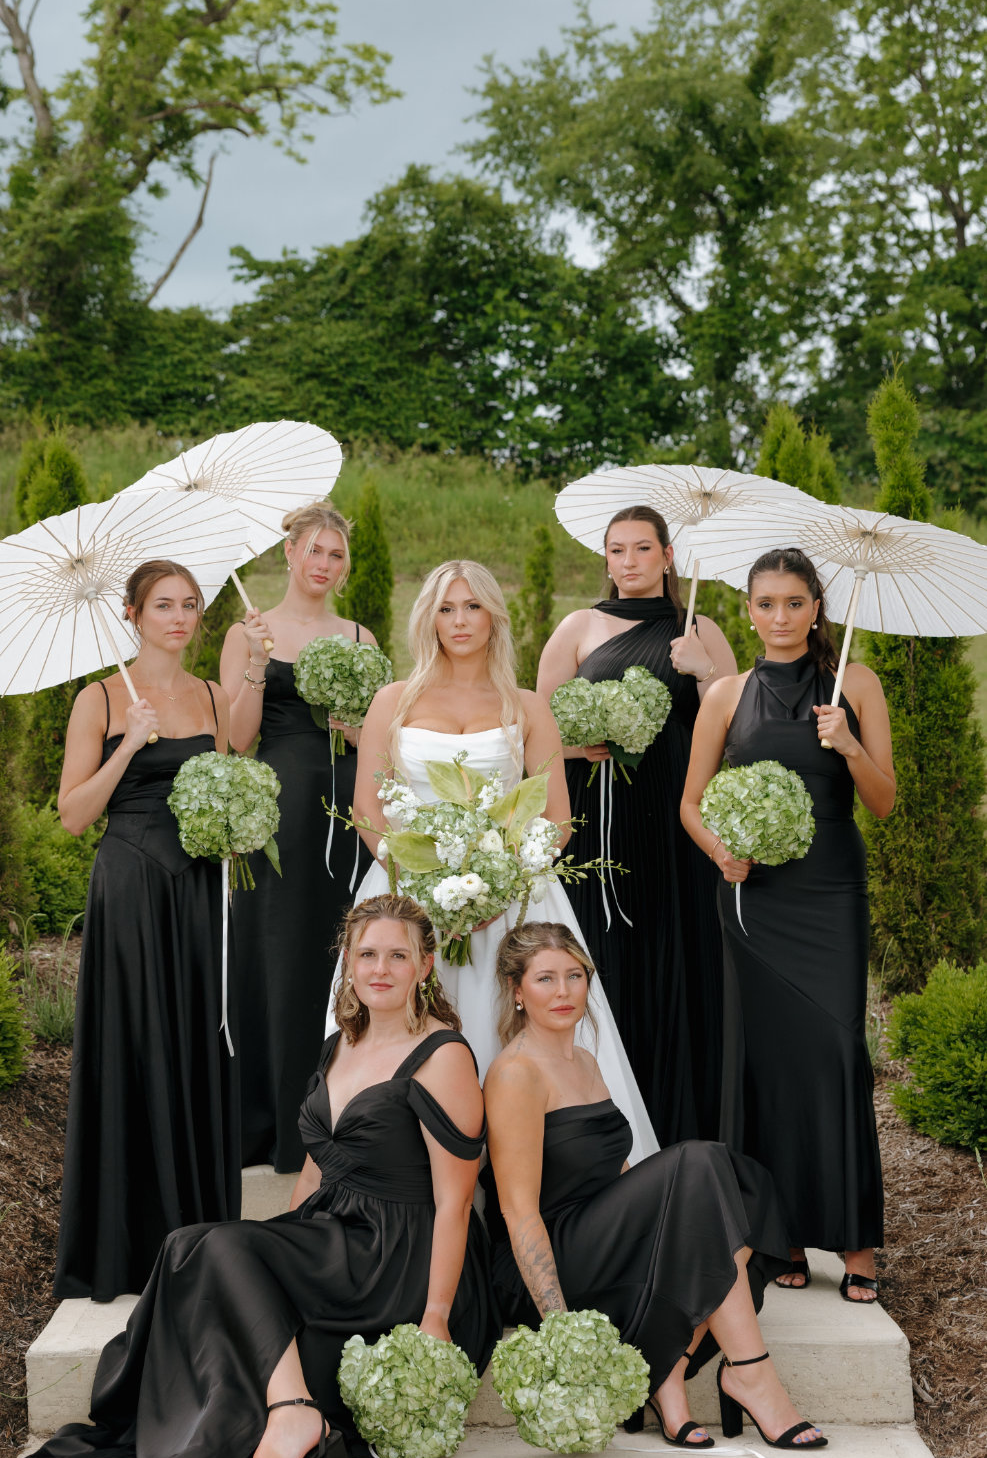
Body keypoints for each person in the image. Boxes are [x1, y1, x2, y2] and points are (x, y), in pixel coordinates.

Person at [16, 895, 499, 1458]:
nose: (381, 968)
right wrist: (266, 1253)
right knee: (195, 1247)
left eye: (398, 955)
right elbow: (315, 1169)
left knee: (219, 1248)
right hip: (335, 1232)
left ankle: (295, 1414)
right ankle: (293, 1410)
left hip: (398, 1251)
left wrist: (435, 1318)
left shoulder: (443, 1056)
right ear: (348, 963)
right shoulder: (339, 1046)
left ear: (425, 966)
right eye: (367, 953)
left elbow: (455, 1203)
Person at [339, 558, 659, 1159]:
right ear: (428, 618)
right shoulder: (392, 702)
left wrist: (495, 885)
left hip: (512, 900)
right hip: (407, 896)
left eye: (473, 606)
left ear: (494, 616)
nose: (460, 621)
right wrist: (424, 893)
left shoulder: (528, 705)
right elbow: (366, 809)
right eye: (446, 608)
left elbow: (558, 820)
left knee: (516, 1025)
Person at [484, 922, 826, 1450]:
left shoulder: (584, 1060)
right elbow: (518, 1212)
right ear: (517, 990)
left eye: (575, 976)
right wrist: (561, 1327)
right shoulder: (515, 1074)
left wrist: (661, 1228)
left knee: (736, 1187)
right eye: (546, 979)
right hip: (552, 1256)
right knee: (701, 1160)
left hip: (602, 1234)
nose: (563, 991)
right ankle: (751, 1375)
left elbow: (615, 1173)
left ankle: (670, 1373)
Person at [681, 547, 895, 1302]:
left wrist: (847, 745)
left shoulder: (854, 685)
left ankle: (856, 1241)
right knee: (763, 1063)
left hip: (829, 893)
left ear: (815, 608)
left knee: (837, 1053)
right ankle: (779, 1235)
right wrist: (721, 852)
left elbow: (882, 801)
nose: (779, 618)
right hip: (753, 900)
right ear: (746, 609)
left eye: (793, 603)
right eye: (765, 604)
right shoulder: (725, 695)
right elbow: (691, 803)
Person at [53, 559, 239, 1302]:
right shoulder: (97, 698)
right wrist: (128, 744)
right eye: (163, 604)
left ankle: (198, 1239)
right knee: (136, 1044)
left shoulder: (212, 696)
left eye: (191, 604)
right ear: (131, 614)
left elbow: (230, 786)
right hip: (130, 887)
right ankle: (126, 1249)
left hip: (198, 888)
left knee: (195, 1042)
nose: (179, 617)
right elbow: (73, 815)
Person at [536, 505, 738, 1145]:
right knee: (605, 952)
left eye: (642, 550)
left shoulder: (700, 627)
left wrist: (703, 670)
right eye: (617, 550)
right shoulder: (578, 626)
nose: (628, 562)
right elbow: (534, 734)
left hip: (678, 815)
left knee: (684, 950)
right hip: (599, 817)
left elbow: (734, 725)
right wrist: (578, 749)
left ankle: (688, 1124)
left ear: (668, 556)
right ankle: (607, 1118)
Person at [221, 501, 379, 1173]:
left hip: (347, 808)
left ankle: (342, 1114)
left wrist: (354, 728)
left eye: (335, 554)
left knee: (338, 951)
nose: (323, 564)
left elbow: (380, 734)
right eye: (314, 550)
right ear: (287, 553)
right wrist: (257, 663)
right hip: (280, 812)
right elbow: (235, 738)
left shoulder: (359, 639)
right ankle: (273, 1124)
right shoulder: (247, 631)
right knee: (278, 954)